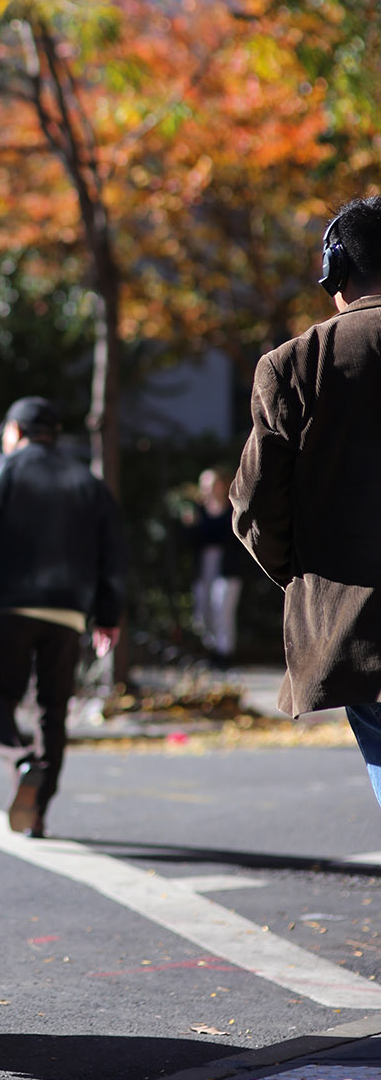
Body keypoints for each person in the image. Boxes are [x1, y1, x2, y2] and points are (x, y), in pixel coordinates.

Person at [231, 197, 381, 808]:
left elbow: (256, 507)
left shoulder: (295, 365)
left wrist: (307, 580)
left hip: (361, 626)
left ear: (336, 271)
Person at [0, 396, 127, 838]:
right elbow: (113, 555)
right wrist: (107, 615)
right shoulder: (89, 482)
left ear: (16, 432)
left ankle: (19, 758)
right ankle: (37, 811)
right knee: (52, 710)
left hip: (9, 607)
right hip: (68, 614)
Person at [183, 467, 247, 669]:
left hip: (227, 567)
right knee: (204, 610)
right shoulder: (198, 512)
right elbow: (192, 543)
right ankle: (212, 650)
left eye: (212, 485)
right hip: (205, 565)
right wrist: (191, 526)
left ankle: (224, 654)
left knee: (223, 610)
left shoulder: (233, 509)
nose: (208, 490)